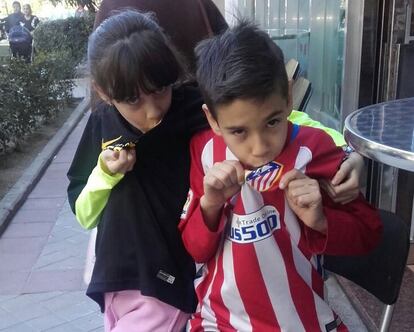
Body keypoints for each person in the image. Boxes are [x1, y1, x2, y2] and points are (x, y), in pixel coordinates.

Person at [68, 10, 366, 332]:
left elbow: (281, 120)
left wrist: (350, 153)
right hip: (114, 274)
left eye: (159, 90)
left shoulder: (192, 108)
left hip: (163, 277)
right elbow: (84, 214)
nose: (152, 111)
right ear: (103, 93)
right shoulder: (102, 123)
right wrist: (105, 173)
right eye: (132, 100)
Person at [178, 21, 382, 331]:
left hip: (302, 320)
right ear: (212, 119)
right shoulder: (203, 152)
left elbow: (369, 233)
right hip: (218, 321)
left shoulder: (316, 148)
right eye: (238, 131)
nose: (259, 147)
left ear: (288, 97)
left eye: (272, 122)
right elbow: (194, 249)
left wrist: (321, 221)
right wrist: (210, 204)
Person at [93, 0, 228, 72]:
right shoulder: (198, 3)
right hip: (202, 107)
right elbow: (229, 50)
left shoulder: (111, 5)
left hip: (133, 113)